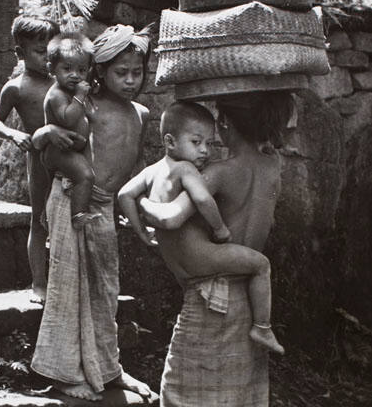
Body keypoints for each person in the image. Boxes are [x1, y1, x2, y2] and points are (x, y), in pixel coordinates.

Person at [137, 92, 292, 407]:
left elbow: (171, 218)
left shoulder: (221, 173)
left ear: (224, 126)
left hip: (211, 295)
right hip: (251, 296)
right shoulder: (272, 167)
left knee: (184, 395)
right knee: (239, 404)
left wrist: (139, 204)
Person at [30, 24, 153, 401]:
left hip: (103, 208)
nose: (131, 81)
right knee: (68, 284)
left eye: (137, 72)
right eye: (121, 72)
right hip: (73, 199)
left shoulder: (142, 113)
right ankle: (64, 372)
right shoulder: (86, 107)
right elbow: (43, 146)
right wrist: (46, 133)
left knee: (105, 289)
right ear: (99, 71)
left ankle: (108, 368)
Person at [118, 101, 284, 355]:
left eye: (209, 142)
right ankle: (263, 326)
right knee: (261, 265)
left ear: (224, 124)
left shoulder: (214, 172)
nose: (205, 151)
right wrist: (219, 229)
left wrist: (141, 209)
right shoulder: (273, 165)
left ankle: (262, 327)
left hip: (208, 283)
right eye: (198, 143)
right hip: (243, 288)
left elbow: (158, 212)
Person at [0, 15, 59, 304]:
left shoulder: (64, 82)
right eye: (40, 53)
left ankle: (68, 279)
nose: (48, 58)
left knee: (71, 218)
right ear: (20, 53)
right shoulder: (16, 87)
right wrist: (14, 135)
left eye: (53, 51)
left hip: (71, 157)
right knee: (39, 222)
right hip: (40, 160)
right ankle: (39, 283)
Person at [42, 32, 102, 229]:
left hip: (71, 149)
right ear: (52, 68)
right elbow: (67, 118)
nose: (75, 75)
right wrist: (80, 96)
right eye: (67, 69)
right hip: (58, 151)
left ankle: (51, 213)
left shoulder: (71, 90)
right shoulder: (57, 94)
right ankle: (78, 216)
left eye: (82, 70)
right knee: (86, 176)